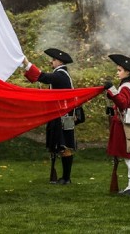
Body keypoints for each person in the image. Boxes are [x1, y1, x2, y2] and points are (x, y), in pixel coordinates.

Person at [21, 48, 78, 185]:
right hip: (63, 115)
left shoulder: (61, 74)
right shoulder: (61, 74)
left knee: (64, 146)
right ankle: (65, 178)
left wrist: (27, 64)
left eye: (53, 59)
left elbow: (44, 77)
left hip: (62, 116)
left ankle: (66, 178)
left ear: (59, 61)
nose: (51, 61)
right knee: (62, 146)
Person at [104, 54, 130, 196]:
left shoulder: (126, 87)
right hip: (127, 124)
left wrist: (112, 89)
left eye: (119, 70)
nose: (117, 72)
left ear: (127, 72)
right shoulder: (128, 85)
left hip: (127, 126)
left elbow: (122, 103)